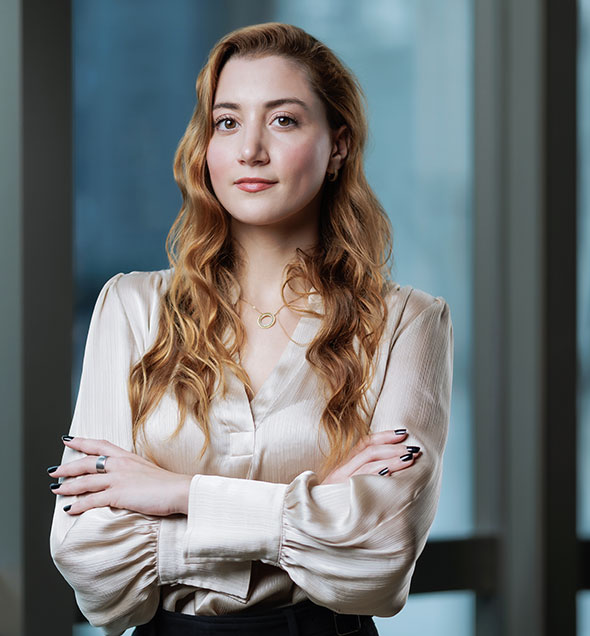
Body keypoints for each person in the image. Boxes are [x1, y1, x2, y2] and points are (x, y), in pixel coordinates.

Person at [49, 22, 454, 636]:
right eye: (228, 122)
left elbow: (380, 559)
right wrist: (314, 502)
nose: (250, 151)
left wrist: (176, 494)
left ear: (338, 145)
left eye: (284, 120)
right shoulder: (130, 309)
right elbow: (94, 566)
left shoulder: (407, 323)